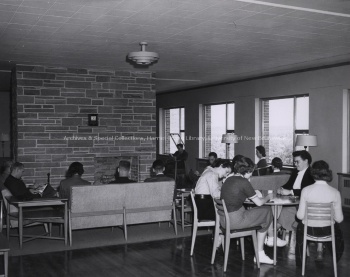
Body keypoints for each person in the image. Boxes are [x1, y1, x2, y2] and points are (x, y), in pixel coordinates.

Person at [221, 157, 275, 264]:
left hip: (223, 219)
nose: (251, 174)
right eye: (251, 172)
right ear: (247, 171)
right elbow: (259, 203)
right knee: (267, 211)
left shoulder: (228, 179)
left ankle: (268, 242)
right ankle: (262, 251)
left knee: (262, 214)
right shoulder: (243, 181)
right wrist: (269, 196)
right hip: (235, 221)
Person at [295, 160, 344, 265]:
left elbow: (299, 216)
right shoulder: (335, 192)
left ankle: (300, 262)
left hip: (309, 230)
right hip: (327, 231)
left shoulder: (306, 190)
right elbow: (339, 219)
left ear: (312, 173)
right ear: (327, 172)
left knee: (299, 227)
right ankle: (336, 258)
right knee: (337, 230)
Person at [277, 150, 315, 232]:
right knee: (277, 208)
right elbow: (288, 184)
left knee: (285, 210)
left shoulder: (312, 173)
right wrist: (281, 188)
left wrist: (290, 192)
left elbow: (306, 191)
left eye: (297, 162)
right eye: (294, 162)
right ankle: (277, 230)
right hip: (293, 201)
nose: (295, 164)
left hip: (304, 204)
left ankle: (275, 230)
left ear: (306, 161)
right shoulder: (295, 171)